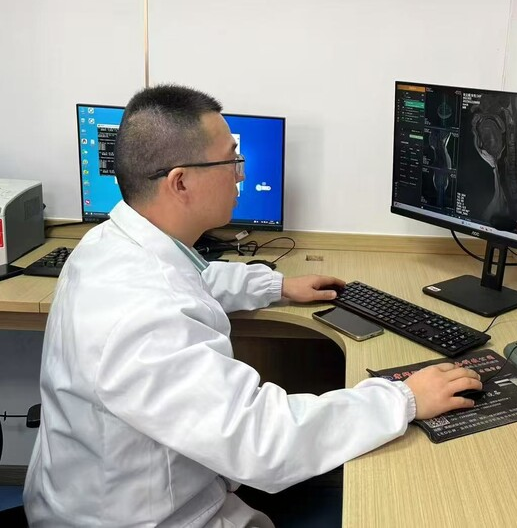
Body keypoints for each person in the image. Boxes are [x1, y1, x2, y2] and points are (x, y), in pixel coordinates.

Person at [24, 85, 482, 527]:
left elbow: (192, 277)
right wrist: (403, 398)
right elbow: (262, 442)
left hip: (94, 494)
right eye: (231, 161)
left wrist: (277, 285)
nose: (240, 174)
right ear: (180, 182)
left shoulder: (109, 244)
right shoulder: (146, 313)